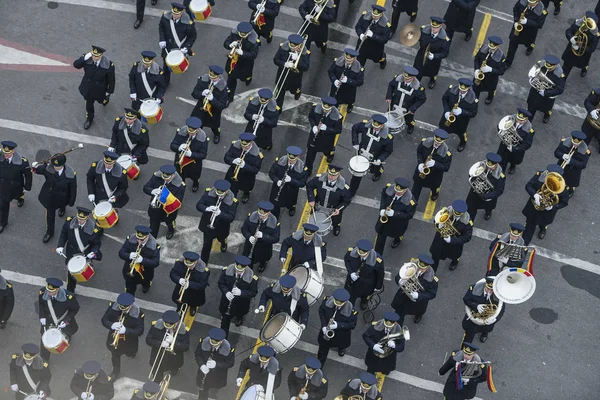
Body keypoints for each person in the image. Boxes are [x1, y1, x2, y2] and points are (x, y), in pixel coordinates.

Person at [55, 207, 102, 293]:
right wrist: (60, 246)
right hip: (71, 252)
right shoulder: (69, 222)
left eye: (82, 219)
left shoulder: (94, 229)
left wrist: (93, 252)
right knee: (71, 273)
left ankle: (90, 266)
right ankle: (70, 290)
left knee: (87, 265)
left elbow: (96, 244)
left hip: (85, 252)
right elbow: (64, 234)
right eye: (79, 218)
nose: (79, 221)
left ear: (87, 218)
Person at [32, 154, 77, 243]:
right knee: (50, 216)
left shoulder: (70, 174)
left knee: (62, 204)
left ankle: (62, 208)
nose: (56, 168)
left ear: (63, 165)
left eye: (58, 166)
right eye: (55, 166)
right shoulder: (48, 168)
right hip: (50, 197)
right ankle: (50, 232)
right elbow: (38, 170)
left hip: (62, 197)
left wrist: (72, 201)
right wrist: (35, 167)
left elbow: (73, 188)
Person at [101, 292, 145, 380]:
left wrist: (126, 330)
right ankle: (115, 371)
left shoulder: (138, 313)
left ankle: (132, 353)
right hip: (114, 338)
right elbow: (104, 319)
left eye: (125, 308)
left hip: (129, 340)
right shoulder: (113, 306)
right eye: (121, 307)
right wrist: (112, 325)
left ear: (131, 305)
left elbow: (140, 330)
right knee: (115, 356)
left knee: (130, 352)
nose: (122, 310)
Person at [521, 164, 569, 243]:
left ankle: (543, 229)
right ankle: (524, 245)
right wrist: (535, 195)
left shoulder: (562, 187)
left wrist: (552, 207)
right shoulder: (539, 175)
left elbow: (564, 202)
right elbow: (529, 185)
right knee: (529, 226)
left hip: (547, 211)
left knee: (543, 223)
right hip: (533, 207)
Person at [350, 114, 394, 196]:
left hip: (374, 159)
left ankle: (379, 172)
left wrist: (380, 160)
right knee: (356, 176)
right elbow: (355, 128)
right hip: (361, 155)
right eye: (373, 125)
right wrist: (355, 142)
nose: (374, 128)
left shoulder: (388, 138)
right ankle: (352, 192)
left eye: (377, 127)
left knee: (375, 169)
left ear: (382, 126)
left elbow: (387, 151)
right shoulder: (365, 125)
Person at [73, 45, 115, 129]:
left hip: (100, 89)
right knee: (89, 104)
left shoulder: (108, 64)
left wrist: (109, 91)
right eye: (93, 55)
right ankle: (89, 119)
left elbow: (111, 79)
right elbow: (76, 65)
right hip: (88, 88)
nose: (94, 58)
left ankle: (106, 99)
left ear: (101, 56)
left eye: (97, 56)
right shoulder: (87, 60)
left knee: (102, 101)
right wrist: (84, 58)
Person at [196, 180, 238, 263]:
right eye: (217, 192)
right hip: (208, 224)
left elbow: (231, 217)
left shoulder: (233, 201)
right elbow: (199, 205)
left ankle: (223, 243)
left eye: (221, 193)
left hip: (221, 227)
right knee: (206, 245)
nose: (219, 194)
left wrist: (220, 214)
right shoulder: (208, 194)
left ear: (226, 191)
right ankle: (204, 263)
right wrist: (207, 209)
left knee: (221, 238)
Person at [38, 277, 80, 362]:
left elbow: (75, 309)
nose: (49, 293)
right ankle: (44, 359)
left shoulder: (68, 297)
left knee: (68, 331)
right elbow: (41, 304)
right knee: (45, 340)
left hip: (62, 320)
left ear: (57, 290)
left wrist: (67, 320)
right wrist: (42, 316)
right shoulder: (43, 292)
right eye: (48, 291)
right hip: (49, 321)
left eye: (52, 292)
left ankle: (68, 336)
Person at [391, 254, 438, 325]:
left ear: (427, 267)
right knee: (398, 314)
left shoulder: (433, 279)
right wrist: (399, 281)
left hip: (418, 301)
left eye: (423, 269)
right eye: (419, 267)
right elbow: (398, 276)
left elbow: (432, 294)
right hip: (403, 297)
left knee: (418, 311)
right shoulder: (410, 267)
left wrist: (418, 296)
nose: (419, 270)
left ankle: (419, 315)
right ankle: (397, 327)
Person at [158, 2, 197, 87]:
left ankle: (185, 61)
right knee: (166, 65)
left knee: (182, 59)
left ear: (182, 13)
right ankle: (166, 83)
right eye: (173, 13)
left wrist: (187, 47)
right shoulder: (165, 17)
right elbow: (161, 27)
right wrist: (162, 39)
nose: (174, 16)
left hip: (180, 46)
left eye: (177, 14)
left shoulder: (188, 23)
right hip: (168, 46)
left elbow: (192, 36)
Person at [306, 164, 352, 236]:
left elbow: (347, 200)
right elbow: (309, 186)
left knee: (336, 221)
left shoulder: (344, 187)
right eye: (329, 174)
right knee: (315, 221)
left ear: (338, 175)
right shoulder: (319, 179)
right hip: (318, 206)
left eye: (334, 175)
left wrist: (338, 209)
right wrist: (311, 199)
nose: (331, 177)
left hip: (333, 210)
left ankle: (336, 226)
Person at [218, 255, 258, 336]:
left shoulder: (251, 278)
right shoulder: (226, 271)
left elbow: (253, 292)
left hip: (241, 303)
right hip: (227, 301)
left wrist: (241, 293)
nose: (238, 272)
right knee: (224, 322)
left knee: (240, 312)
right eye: (237, 270)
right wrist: (226, 292)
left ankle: (239, 317)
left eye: (241, 271)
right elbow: (221, 283)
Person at [374, 177, 416, 254]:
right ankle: (377, 255)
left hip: (397, 223)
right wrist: (382, 208)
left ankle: (398, 238)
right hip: (384, 220)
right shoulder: (389, 188)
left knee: (397, 233)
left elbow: (409, 215)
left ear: (405, 190)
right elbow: (383, 195)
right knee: (379, 240)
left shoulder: (411, 201)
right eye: (396, 190)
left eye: (400, 192)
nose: (397, 193)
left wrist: (394, 213)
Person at [146, 309, 190, 382]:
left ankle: (174, 369)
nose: (168, 328)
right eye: (166, 325)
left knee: (174, 366)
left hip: (174, 356)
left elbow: (186, 346)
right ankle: (157, 382)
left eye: (171, 325)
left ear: (176, 323)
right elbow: (148, 340)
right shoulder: (156, 326)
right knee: (156, 372)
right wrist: (160, 343)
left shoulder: (183, 330)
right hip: (158, 353)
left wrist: (174, 342)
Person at [143, 165, 185, 240]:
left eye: (167, 178)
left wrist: (164, 198)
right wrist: (152, 191)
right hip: (155, 209)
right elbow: (146, 187)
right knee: (153, 227)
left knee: (169, 222)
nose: (165, 180)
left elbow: (178, 202)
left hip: (168, 211)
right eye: (164, 177)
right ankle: (152, 241)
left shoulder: (180, 185)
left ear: (173, 175)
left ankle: (171, 230)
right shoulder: (156, 177)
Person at [316, 288, 358, 365]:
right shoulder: (326, 301)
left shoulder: (352, 311)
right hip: (327, 331)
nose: (337, 305)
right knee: (322, 351)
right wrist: (324, 326)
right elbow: (321, 312)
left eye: (340, 303)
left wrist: (338, 325)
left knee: (341, 344)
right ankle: (319, 366)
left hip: (341, 334)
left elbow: (352, 325)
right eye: (336, 302)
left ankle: (341, 348)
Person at [429, 199, 473, 271]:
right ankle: (433, 272)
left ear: (462, 213)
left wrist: (451, 240)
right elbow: (436, 219)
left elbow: (467, 237)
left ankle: (455, 261)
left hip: (454, 244)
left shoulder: (468, 222)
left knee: (454, 256)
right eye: (454, 212)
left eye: (458, 213)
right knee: (435, 256)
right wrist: (439, 224)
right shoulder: (446, 212)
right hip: (440, 240)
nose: (455, 214)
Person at [191, 65, 230, 144]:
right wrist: (201, 93)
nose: (211, 79)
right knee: (196, 124)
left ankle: (216, 134)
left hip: (213, 112)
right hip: (201, 108)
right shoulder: (203, 80)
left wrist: (213, 99)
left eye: (214, 78)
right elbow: (194, 93)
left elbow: (222, 105)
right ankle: (197, 137)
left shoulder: (224, 89)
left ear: (219, 76)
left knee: (214, 126)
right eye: (210, 76)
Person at [305, 96, 344, 175]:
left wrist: (327, 128)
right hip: (315, 137)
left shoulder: (337, 116)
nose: (325, 111)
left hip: (327, 139)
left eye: (327, 109)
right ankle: (308, 170)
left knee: (327, 151)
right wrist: (314, 126)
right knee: (310, 155)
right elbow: (311, 117)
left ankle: (330, 154)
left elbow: (338, 130)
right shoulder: (315, 108)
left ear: (331, 108)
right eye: (324, 109)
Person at [118, 225, 161, 295]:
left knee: (146, 283)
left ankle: (146, 285)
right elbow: (121, 253)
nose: (139, 241)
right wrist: (129, 255)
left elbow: (156, 262)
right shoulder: (130, 240)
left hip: (145, 273)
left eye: (142, 240)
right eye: (137, 238)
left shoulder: (155, 247)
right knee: (129, 290)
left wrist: (142, 260)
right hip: (129, 270)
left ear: (147, 237)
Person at [462, 274, 505, 344]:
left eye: (492, 290)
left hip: (487, 322)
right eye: (488, 288)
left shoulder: (499, 295)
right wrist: (476, 306)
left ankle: (484, 333)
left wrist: (494, 319)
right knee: (468, 336)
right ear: (485, 285)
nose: (489, 292)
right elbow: (466, 299)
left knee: (486, 329)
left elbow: (501, 310)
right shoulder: (473, 288)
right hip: (473, 318)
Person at [411, 129, 451, 202]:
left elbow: (446, 167)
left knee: (434, 188)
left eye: (439, 142)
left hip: (434, 176)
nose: (436, 143)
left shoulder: (446, 153)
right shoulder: (425, 142)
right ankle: (413, 206)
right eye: (435, 141)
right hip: (421, 171)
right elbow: (419, 152)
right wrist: (420, 163)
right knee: (415, 192)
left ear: (443, 141)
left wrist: (435, 163)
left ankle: (434, 194)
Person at [439, 78, 479, 153]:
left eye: (464, 91)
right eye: (460, 89)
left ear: (468, 88)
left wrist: (462, 112)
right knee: (442, 130)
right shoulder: (451, 90)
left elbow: (473, 113)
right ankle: (440, 142)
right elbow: (444, 99)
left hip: (461, 122)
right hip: (448, 117)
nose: (461, 91)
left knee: (461, 134)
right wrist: (447, 111)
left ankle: (463, 143)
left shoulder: (474, 99)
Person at [0, 141, 32, 233]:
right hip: (2, 186)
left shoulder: (22, 161)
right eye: (4, 152)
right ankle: (2, 223)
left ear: (13, 151)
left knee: (18, 195)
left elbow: (28, 175)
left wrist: (27, 187)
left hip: (16, 186)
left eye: (8, 153)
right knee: (3, 206)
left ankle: (20, 198)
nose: (6, 155)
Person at [170, 116, 209, 192]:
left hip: (194, 164)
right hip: (180, 162)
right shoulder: (181, 132)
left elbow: (203, 155)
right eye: (189, 131)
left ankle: (195, 183)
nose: (190, 133)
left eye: (192, 132)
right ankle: (182, 184)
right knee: (180, 176)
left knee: (195, 176)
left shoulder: (203, 139)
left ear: (197, 129)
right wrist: (179, 147)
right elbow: (172, 145)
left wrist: (191, 154)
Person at [86, 151, 130, 218]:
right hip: (98, 194)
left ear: (114, 162)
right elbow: (90, 178)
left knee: (112, 211)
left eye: (109, 164)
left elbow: (123, 187)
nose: (107, 165)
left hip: (112, 196)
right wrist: (91, 193)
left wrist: (115, 196)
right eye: (105, 163)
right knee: (100, 214)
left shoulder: (121, 172)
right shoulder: (96, 166)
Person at [195, 328, 235, 400]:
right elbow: (198, 354)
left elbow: (230, 363)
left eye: (216, 342)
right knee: (203, 391)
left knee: (215, 388)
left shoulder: (229, 349)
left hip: (218, 375)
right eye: (211, 341)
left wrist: (217, 364)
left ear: (221, 341)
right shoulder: (203, 342)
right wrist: (201, 365)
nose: (213, 344)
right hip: (204, 373)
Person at [269, 146, 308, 219]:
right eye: (289, 158)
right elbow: (271, 173)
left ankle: (291, 207)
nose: (290, 161)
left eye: (293, 159)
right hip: (277, 189)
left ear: (298, 157)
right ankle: (275, 218)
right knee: (275, 206)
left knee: (291, 203)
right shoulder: (279, 162)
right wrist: (277, 180)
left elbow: (302, 183)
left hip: (291, 191)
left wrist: (291, 180)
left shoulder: (302, 168)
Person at [224, 132, 264, 203]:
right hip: (233, 172)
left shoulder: (258, 155)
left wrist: (245, 165)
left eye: (246, 146)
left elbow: (255, 170)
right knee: (232, 189)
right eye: (242, 146)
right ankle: (232, 201)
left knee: (246, 188)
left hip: (247, 176)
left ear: (251, 143)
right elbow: (226, 158)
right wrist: (233, 161)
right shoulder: (235, 145)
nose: (244, 148)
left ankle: (246, 193)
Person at [505, 0, 547, 68]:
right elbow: (515, 10)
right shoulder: (522, 2)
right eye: (529, 2)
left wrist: (527, 21)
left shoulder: (543, 11)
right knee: (512, 46)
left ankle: (530, 47)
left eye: (532, 3)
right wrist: (515, 21)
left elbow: (539, 24)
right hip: (517, 29)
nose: (529, 4)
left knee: (529, 43)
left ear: (537, 2)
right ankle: (508, 62)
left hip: (529, 33)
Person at [224, 22, 260, 100]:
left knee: (245, 76)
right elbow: (226, 42)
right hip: (233, 61)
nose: (241, 36)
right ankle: (229, 97)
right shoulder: (234, 34)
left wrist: (242, 53)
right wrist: (229, 45)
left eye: (244, 35)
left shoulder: (254, 41)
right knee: (231, 80)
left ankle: (248, 78)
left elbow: (253, 55)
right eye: (240, 34)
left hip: (245, 63)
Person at [344, 239, 384, 310]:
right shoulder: (351, 252)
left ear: (368, 252)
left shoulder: (377, 260)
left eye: (363, 255)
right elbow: (347, 261)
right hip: (352, 282)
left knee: (365, 294)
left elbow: (380, 275)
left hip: (366, 283)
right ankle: (351, 308)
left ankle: (364, 300)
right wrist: (351, 272)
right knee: (350, 297)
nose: (361, 257)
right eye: (359, 254)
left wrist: (378, 286)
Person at [465, 152, 506, 221]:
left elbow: (499, 191)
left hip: (488, 195)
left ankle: (488, 212)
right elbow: (471, 174)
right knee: (470, 208)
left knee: (488, 206)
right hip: (475, 192)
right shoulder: (480, 165)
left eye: (491, 167)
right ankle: (470, 220)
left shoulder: (500, 175)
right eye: (488, 166)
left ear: (496, 165)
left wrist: (486, 196)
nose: (489, 168)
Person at [385, 66, 426, 134]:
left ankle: (411, 126)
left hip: (407, 109)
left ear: (413, 78)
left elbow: (422, 99)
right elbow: (391, 85)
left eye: (407, 79)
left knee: (408, 121)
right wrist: (389, 97)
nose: (405, 80)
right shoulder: (397, 79)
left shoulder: (419, 89)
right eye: (404, 78)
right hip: (394, 104)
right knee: (390, 117)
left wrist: (413, 108)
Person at [273, 34, 311, 108]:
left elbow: (306, 67)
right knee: (280, 93)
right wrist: (285, 64)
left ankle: (298, 91)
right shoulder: (283, 47)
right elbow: (275, 60)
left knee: (294, 90)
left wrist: (298, 59)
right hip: (282, 74)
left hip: (295, 77)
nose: (293, 49)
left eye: (295, 47)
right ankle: (278, 109)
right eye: (291, 46)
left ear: (299, 45)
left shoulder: (305, 53)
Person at [242, 201, 281, 272]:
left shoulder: (274, 222)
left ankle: (263, 263)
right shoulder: (251, 217)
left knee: (263, 258)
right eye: (259, 214)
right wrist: (249, 237)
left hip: (264, 247)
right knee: (248, 261)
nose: (260, 217)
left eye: (263, 215)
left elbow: (276, 238)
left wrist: (263, 236)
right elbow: (244, 229)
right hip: (250, 245)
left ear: (268, 213)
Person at [363, 311, 405, 376]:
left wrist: (394, 346)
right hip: (374, 355)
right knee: (371, 370)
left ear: (395, 323)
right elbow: (366, 336)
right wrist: (373, 345)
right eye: (386, 325)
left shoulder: (399, 332)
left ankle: (385, 371)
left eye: (390, 326)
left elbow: (401, 347)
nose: (388, 328)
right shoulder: (375, 327)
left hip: (388, 357)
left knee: (386, 369)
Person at [526, 54, 565, 123]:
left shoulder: (559, 74)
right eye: (547, 67)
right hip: (535, 92)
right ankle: (528, 123)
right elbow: (533, 72)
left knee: (546, 109)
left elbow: (560, 89)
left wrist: (546, 93)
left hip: (547, 97)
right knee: (531, 108)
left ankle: (547, 114)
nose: (548, 69)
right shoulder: (541, 64)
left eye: (550, 68)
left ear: (555, 66)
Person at [413, 16, 450, 89]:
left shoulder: (445, 39)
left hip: (433, 60)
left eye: (436, 27)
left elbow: (445, 53)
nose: (433, 29)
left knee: (432, 72)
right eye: (432, 27)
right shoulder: (423, 30)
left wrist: (434, 56)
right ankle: (416, 83)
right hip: (422, 55)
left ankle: (432, 80)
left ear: (440, 27)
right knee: (418, 71)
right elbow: (418, 37)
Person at [170, 251, 209, 318]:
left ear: (196, 262)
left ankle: (193, 307)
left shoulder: (204, 270)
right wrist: (179, 280)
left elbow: (202, 285)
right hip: (181, 289)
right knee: (179, 302)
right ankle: (179, 309)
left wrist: (189, 284)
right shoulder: (179, 263)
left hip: (195, 292)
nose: (189, 267)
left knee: (194, 302)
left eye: (191, 265)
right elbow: (172, 273)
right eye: (187, 265)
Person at [496, 108, 534, 175]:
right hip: (505, 146)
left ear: (526, 120)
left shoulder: (530, 130)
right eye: (518, 118)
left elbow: (527, 144)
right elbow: (500, 126)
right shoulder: (510, 119)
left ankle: (513, 166)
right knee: (502, 162)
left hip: (516, 149)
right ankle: (501, 173)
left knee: (514, 160)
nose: (518, 121)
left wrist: (514, 148)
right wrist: (502, 132)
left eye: (521, 120)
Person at [561, 12, 598, 78]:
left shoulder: (595, 34)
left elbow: (592, 48)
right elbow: (569, 31)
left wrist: (581, 47)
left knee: (583, 64)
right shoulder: (577, 23)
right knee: (565, 70)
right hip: (571, 51)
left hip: (583, 55)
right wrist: (571, 38)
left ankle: (584, 68)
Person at [554, 130, 590, 197]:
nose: (574, 145)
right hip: (562, 165)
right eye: (573, 143)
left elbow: (583, 165)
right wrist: (563, 156)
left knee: (570, 183)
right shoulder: (564, 141)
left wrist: (571, 161)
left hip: (573, 170)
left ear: (581, 141)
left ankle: (570, 190)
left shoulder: (585, 151)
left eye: (576, 144)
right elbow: (556, 152)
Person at [355, 4, 392, 69]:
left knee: (377, 59)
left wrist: (373, 35)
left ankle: (383, 59)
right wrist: (360, 34)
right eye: (373, 15)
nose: (374, 17)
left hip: (375, 47)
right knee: (360, 62)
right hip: (363, 45)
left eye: (376, 16)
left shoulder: (385, 25)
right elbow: (358, 26)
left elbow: (385, 39)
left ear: (380, 15)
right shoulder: (365, 16)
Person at [472, 36, 507, 105]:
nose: (490, 50)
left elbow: (501, 72)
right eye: (490, 47)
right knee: (475, 90)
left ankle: (490, 97)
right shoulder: (483, 48)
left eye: (493, 49)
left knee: (491, 90)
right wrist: (476, 69)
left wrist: (490, 69)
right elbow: (476, 59)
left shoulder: (501, 57)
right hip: (479, 76)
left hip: (491, 79)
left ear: (497, 47)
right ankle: (475, 102)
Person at [328, 48, 364, 114]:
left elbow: (360, 82)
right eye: (346, 59)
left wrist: (348, 80)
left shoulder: (359, 68)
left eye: (350, 61)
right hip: (336, 87)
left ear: (354, 59)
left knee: (349, 100)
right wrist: (334, 80)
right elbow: (331, 71)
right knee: (333, 104)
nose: (347, 62)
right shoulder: (337, 62)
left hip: (349, 90)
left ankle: (350, 105)